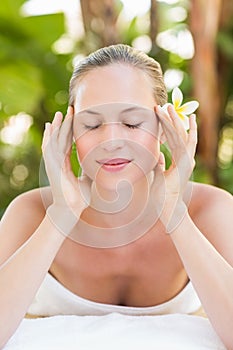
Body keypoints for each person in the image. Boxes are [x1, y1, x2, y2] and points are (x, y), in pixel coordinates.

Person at [0, 44, 232, 349]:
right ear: (70, 133)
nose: (110, 141)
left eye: (132, 123)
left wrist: (175, 214)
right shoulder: (30, 213)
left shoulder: (211, 210)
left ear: (165, 127)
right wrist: (60, 216)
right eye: (92, 124)